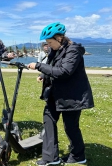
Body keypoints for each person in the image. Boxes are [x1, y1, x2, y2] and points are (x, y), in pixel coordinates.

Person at [27, 22, 94, 165]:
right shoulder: (54, 50)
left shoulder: (73, 51)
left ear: (59, 38)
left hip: (72, 96)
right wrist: (44, 75)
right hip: (55, 94)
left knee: (70, 127)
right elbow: (53, 68)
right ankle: (50, 158)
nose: (48, 45)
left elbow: (64, 71)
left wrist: (38, 66)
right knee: (48, 121)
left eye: (50, 42)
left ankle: (78, 156)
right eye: (47, 43)